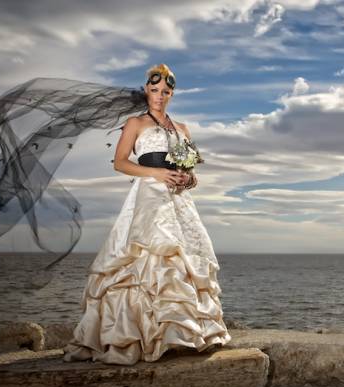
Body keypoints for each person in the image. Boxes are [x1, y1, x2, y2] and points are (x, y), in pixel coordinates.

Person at [61, 64, 232, 364]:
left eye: (165, 91)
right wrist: (156, 173)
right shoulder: (135, 123)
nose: (159, 96)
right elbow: (120, 163)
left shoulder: (182, 129)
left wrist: (188, 178)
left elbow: (191, 171)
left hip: (179, 201)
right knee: (145, 258)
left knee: (183, 260)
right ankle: (140, 334)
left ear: (172, 94)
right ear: (146, 91)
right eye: (154, 90)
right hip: (148, 198)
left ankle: (181, 334)